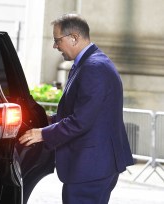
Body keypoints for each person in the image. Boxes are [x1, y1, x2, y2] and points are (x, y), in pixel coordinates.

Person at [19, 13, 134, 204]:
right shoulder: (89, 63)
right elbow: (85, 111)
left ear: (74, 37)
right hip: (94, 164)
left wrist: (43, 134)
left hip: (91, 166)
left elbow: (81, 121)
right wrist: (49, 119)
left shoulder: (94, 67)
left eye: (57, 40)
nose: (55, 46)